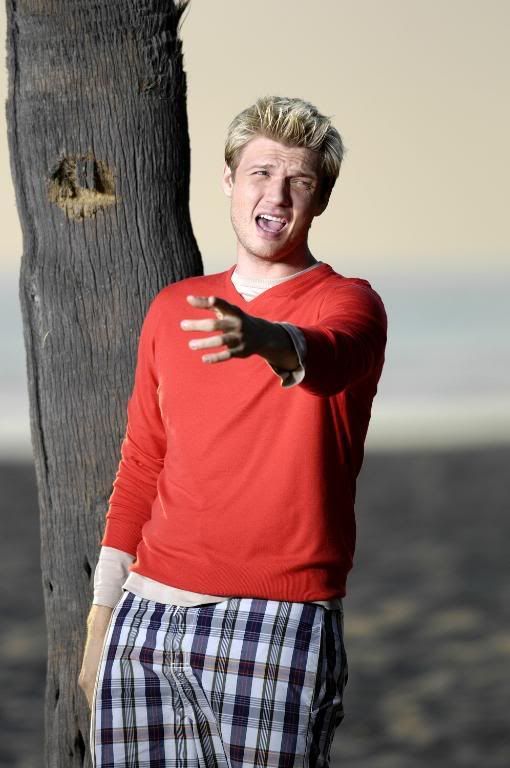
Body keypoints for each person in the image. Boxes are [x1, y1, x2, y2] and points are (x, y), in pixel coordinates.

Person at [79, 94, 387, 767]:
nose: (276, 194)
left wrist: (267, 338)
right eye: (261, 172)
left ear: (321, 198)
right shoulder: (172, 308)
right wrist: (103, 613)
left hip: (280, 619)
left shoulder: (350, 303)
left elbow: (330, 355)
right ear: (229, 180)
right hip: (146, 617)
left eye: (299, 180)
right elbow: (143, 462)